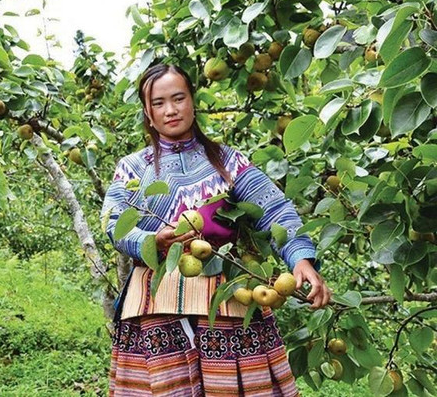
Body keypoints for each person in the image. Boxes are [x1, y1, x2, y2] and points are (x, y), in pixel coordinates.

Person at [102, 63, 330, 396]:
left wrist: (300, 258)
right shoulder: (132, 169)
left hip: (227, 296)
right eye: (159, 103)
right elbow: (113, 221)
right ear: (148, 114)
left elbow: (274, 208)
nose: (171, 110)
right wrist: (149, 241)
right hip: (155, 301)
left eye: (178, 98)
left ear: (193, 101)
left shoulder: (228, 161)